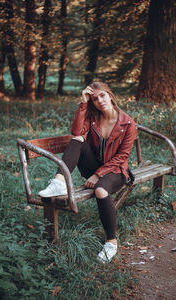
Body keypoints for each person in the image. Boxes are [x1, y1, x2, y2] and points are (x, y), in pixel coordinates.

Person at [38, 82, 136, 263]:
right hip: (95, 167)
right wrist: (83, 103)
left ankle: (111, 243)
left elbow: (122, 156)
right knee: (77, 140)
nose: (99, 101)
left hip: (116, 171)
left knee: (100, 190)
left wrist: (99, 174)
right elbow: (75, 132)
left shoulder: (128, 123)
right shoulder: (93, 117)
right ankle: (59, 182)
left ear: (110, 95)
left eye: (102, 96)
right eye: (94, 99)